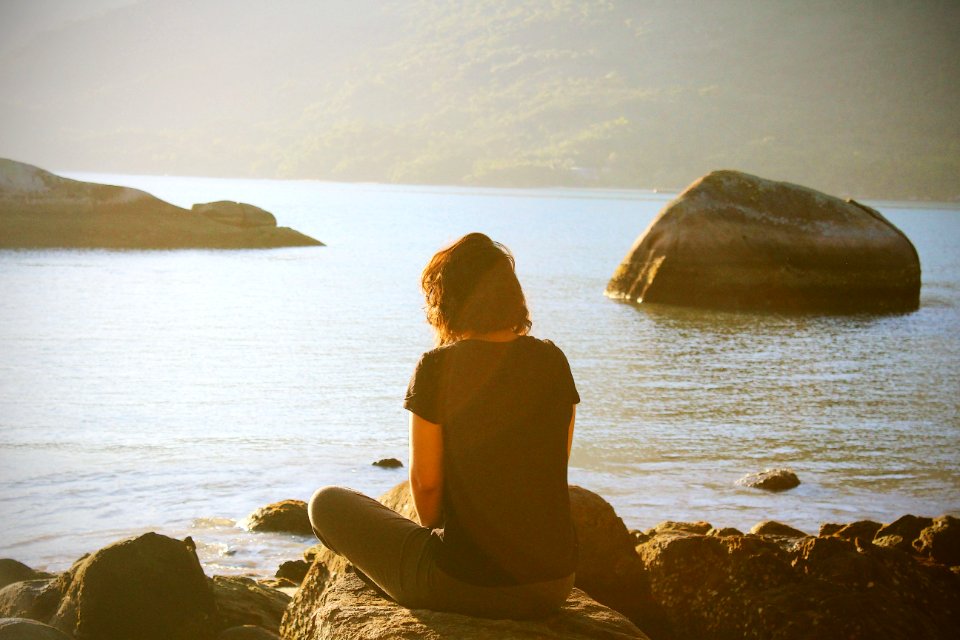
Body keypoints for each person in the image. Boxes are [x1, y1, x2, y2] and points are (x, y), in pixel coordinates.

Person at [308, 232, 579, 619]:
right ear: (513, 295)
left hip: (468, 583)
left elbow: (430, 504)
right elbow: (555, 464)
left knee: (326, 503)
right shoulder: (554, 360)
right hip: (555, 583)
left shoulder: (436, 367)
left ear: (446, 301)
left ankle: (404, 588)